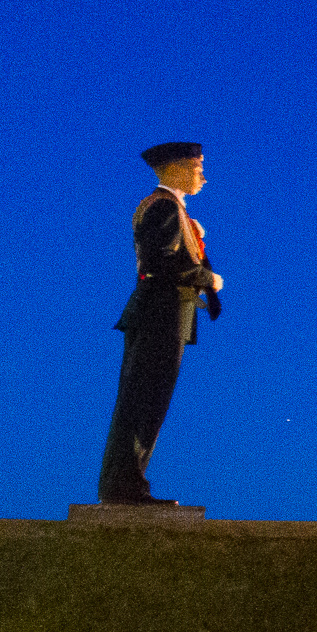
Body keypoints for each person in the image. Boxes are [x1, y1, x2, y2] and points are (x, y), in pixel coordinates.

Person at [97, 141, 224, 506]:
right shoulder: (165, 206)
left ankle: (124, 487)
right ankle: (125, 490)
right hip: (160, 315)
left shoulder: (170, 208)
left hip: (161, 315)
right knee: (143, 404)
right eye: (198, 167)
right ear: (176, 169)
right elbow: (161, 263)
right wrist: (209, 279)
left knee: (143, 403)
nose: (203, 175)